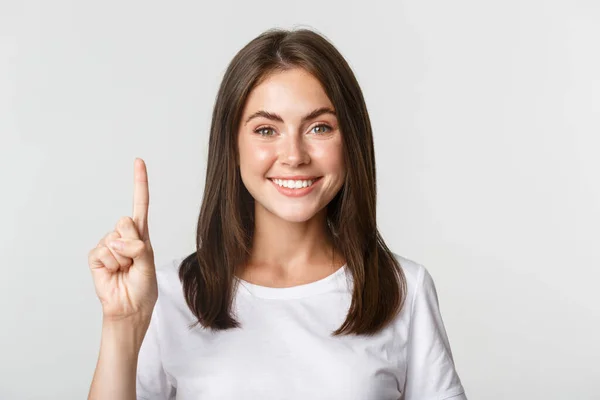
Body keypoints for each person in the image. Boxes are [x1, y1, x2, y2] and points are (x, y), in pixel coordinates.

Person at [87, 27, 467, 400]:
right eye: (267, 130)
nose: (294, 155)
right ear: (232, 145)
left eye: (319, 127)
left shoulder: (404, 289)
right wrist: (123, 325)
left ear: (351, 140)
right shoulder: (169, 294)